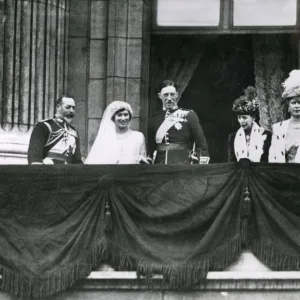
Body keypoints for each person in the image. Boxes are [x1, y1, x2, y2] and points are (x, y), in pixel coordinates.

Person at [147, 80, 209, 164]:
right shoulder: (153, 119)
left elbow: (200, 142)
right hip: (159, 163)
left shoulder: (188, 115)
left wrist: (202, 160)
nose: (169, 98)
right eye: (165, 95)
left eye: (172, 94)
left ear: (176, 95)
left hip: (182, 162)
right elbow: (150, 147)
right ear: (159, 96)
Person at [85, 101, 150, 164]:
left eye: (126, 115)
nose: (123, 118)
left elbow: (143, 159)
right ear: (113, 118)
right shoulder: (106, 138)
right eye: (119, 115)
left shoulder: (138, 137)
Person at [28, 96, 83, 164]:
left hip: (68, 172)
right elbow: (34, 156)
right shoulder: (43, 126)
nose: (71, 110)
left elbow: (77, 161)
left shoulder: (73, 132)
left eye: (73, 108)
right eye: (68, 107)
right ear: (58, 107)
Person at [228, 86, 271, 163]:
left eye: (244, 118)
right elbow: (231, 163)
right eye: (239, 117)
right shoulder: (233, 137)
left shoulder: (266, 135)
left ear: (253, 118)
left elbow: (268, 162)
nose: (241, 121)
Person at [269, 70, 300, 163]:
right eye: (293, 102)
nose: (297, 106)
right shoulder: (278, 128)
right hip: (283, 175)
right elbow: (273, 157)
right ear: (288, 106)